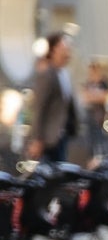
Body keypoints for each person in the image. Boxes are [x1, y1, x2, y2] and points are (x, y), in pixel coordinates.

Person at [25, 33, 78, 164]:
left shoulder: (65, 74)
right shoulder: (47, 74)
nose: (68, 51)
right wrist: (37, 139)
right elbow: (39, 107)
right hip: (47, 139)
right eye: (64, 47)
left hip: (62, 135)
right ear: (53, 49)